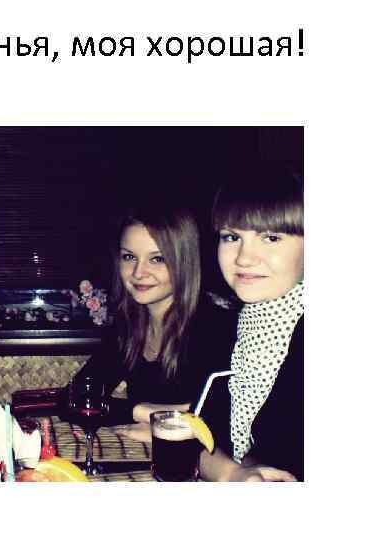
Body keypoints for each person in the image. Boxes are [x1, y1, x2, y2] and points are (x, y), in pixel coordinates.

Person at [69, 203, 237, 439]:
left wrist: (163, 425)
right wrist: (144, 412)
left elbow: (220, 419)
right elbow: (74, 399)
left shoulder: (217, 327)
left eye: (157, 259)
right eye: (129, 257)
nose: (138, 272)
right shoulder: (128, 326)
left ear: (184, 263)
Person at [199, 171, 304, 481]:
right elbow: (199, 433)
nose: (244, 259)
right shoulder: (226, 327)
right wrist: (234, 474)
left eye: (271, 237)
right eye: (232, 237)